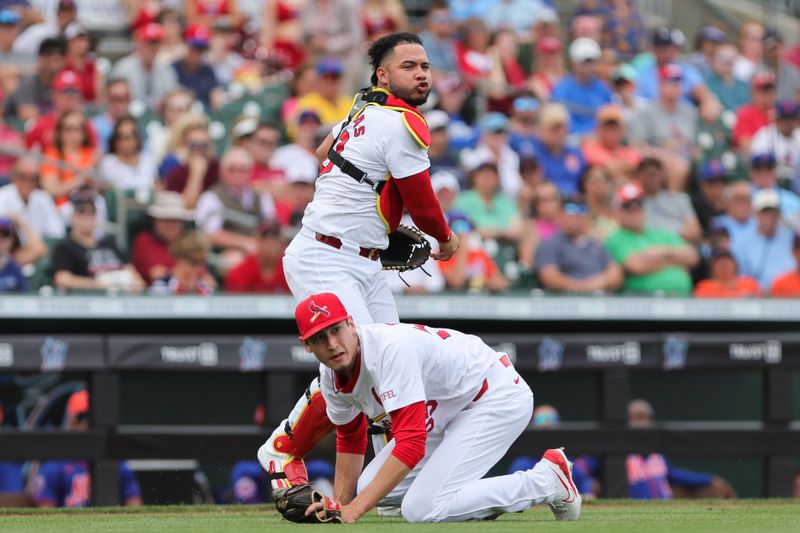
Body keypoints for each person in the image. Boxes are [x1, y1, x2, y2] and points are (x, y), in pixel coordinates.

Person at [257, 33, 458, 504]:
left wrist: (373, 225)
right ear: (383, 75)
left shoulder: (364, 107)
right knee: (356, 362)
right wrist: (444, 239)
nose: (422, 73)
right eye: (408, 66)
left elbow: (324, 152)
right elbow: (423, 202)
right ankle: (281, 451)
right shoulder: (401, 121)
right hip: (327, 256)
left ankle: (394, 488)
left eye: (425, 65)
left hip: (360, 259)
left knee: (390, 363)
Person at [288, 292, 581, 523]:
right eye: (319, 337)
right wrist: (341, 504)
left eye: (336, 329)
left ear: (351, 324)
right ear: (307, 346)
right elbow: (350, 437)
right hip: (446, 410)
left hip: (493, 395)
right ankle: (464, 505)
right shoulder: (329, 378)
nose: (332, 343)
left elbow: (412, 443)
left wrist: (355, 510)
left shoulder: (388, 350)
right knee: (369, 489)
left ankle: (546, 481)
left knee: (421, 509)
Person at [31, 390, 142, 507]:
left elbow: (135, 507)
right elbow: (45, 514)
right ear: (69, 422)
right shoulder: (55, 465)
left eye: (90, 418)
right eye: (80, 418)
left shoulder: (117, 463)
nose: (85, 424)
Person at [604, 182, 698, 296]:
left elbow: (693, 257)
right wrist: (677, 262)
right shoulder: (616, 238)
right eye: (628, 206)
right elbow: (637, 266)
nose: (635, 209)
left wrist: (664, 250)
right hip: (644, 301)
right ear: (617, 211)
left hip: (682, 297)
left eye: (639, 203)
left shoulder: (661, 233)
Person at [194, 147, 276, 267]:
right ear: (222, 172)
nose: (237, 174)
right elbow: (210, 234)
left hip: (258, 250)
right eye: (232, 169)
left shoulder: (262, 197)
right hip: (223, 252)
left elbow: (271, 227)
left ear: (250, 172)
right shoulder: (211, 197)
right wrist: (244, 243)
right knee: (235, 260)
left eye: (242, 169)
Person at [50, 188, 144, 292]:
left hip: (121, 296)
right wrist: (98, 285)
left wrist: (133, 284)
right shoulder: (65, 247)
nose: (87, 216)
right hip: (90, 299)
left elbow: (133, 274)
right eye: (81, 211)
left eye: (92, 212)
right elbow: (62, 279)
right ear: (72, 216)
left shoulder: (109, 242)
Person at [536, 196, 622, 293]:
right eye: (571, 210)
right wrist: (581, 287)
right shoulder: (550, 244)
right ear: (560, 215)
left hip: (598, 299)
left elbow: (616, 275)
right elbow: (549, 277)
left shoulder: (596, 244)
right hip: (565, 299)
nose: (577, 216)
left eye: (582, 210)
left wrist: (598, 282)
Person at [731, 188, 796, 291]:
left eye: (774, 212)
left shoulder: (792, 238)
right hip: (757, 297)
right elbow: (740, 277)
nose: (770, 217)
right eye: (765, 213)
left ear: (779, 214)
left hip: (791, 294)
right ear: (756, 214)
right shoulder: (742, 243)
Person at [551, 37, 612, 137]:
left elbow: (608, 119)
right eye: (584, 61)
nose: (588, 65)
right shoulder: (561, 88)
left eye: (591, 61)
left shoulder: (603, 89)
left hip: (599, 141)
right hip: (569, 141)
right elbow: (559, 121)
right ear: (573, 62)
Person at [131, 191, 194, 285]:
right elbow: (157, 274)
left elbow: (206, 279)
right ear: (155, 221)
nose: (172, 226)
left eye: (177, 221)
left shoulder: (189, 243)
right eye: (167, 220)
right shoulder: (144, 241)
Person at [111, 23, 178, 110]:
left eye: (156, 42)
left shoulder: (166, 70)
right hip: (128, 118)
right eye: (149, 42)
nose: (152, 47)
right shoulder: (124, 68)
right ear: (139, 43)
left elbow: (172, 98)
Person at [637, 157, 702, 245]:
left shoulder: (680, 199)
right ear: (640, 177)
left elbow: (694, 232)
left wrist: (668, 236)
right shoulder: (635, 203)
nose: (652, 178)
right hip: (651, 248)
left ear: (662, 175)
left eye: (655, 174)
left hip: (679, 247)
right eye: (648, 174)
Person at [0, 156, 65, 240]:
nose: (27, 182)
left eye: (33, 178)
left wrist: (21, 222)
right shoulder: (2, 195)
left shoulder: (43, 198)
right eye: (22, 176)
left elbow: (57, 232)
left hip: (40, 247)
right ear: (13, 177)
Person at [529, 103, 586, 197]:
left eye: (561, 127)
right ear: (541, 129)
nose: (558, 132)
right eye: (553, 128)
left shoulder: (575, 152)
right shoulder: (533, 155)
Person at [224, 219, 290, 293]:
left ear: (282, 241)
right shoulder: (241, 272)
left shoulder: (289, 270)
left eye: (275, 237)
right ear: (257, 240)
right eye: (265, 237)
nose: (271, 242)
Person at [99, 116, 157, 194]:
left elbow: (156, 187)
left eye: (129, 137)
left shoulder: (147, 160)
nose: (125, 142)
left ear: (137, 139)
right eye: (120, 137)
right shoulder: (108, 162)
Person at [149, 231, 215, 295]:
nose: (198, 268)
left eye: (201, 261)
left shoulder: (204, 286)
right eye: (193, 261)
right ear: (178, 258)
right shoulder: (163, 285)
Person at [172, 24, 220, 109]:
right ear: (185, 45)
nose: (198, 53)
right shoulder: (173, 68)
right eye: (195, 48)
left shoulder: (208, 70)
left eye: (202, 49)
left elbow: (216, 98)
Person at [693, 247, 760, 298]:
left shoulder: (749, 283)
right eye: (719, 261)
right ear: (712, 267)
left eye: (727, 261)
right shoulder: (704, 286)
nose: (724, 264)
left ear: (735, 265)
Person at [0, 216, 27, 292]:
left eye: (5, 234)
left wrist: (19, 220)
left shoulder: (14, 267)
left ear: (12, 239)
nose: (1, 238)